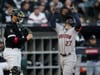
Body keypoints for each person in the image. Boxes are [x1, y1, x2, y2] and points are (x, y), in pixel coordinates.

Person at [0, 9, 33, 75]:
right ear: (14, 16)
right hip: (11, 51)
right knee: (15, 72)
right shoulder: (10, 26)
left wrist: (29, 33)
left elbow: (28, 33)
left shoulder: (19, 26)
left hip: (17, 51)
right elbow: (14, 40)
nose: (20, 18)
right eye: (19, 16)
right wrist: (26, 38)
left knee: (18, 72)